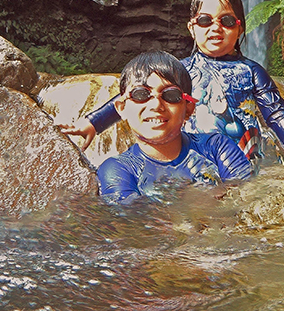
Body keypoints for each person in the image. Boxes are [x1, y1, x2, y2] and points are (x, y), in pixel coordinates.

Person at [60, 0, 284, 166]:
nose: (215, 27)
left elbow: (277, 114)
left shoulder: (251, 71)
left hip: (243, 162)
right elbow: (134, 97)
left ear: (240, 28)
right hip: (193, 161)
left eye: (226, 21)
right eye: (205, 20)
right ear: (192, 28)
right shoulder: (179, 71)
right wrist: (93, 122)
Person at [97, 50, 253, 203]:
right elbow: (130, 222)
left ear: (189, 109)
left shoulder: (216, 147)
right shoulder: (118, 169)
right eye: (141, 94)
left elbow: (251, 194)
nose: (156, 105)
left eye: (171, 95)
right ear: (121, 108)